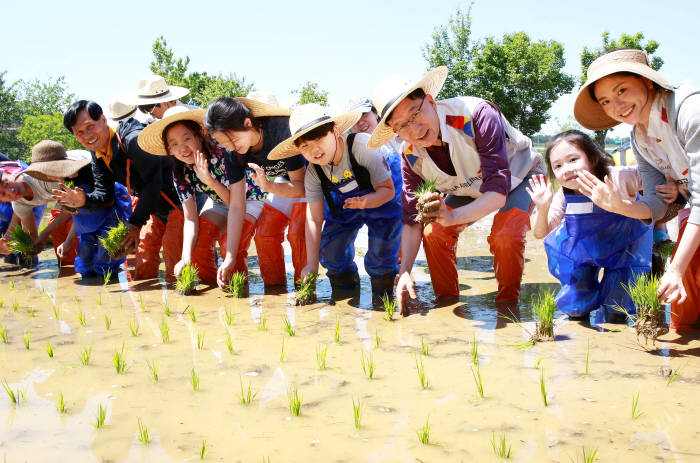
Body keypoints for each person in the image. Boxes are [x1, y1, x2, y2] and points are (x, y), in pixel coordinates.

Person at [368, 66, 545, 315]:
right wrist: (405, 271)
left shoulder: (476, 115)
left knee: (506, 234)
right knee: (434, 233)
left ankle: (507, 307)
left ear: (430, 101)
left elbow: (496, 192)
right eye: (401, 126)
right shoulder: (409, 155)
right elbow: (411, 221)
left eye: (415, 113)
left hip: (520, 175)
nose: (414, 130)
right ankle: (446, 302)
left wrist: (451, 216)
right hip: (466, 187)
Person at [573, 48, 700, 330]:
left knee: (686, 275)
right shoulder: (639, 137)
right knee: (683, 313)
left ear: (648, 81)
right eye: (606, 100)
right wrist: (620, 206)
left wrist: (675, 268)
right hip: (692, 215)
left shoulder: (690, 110)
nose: (616, 105)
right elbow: (656, 204)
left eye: (622, 90)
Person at [269, 104, 402, 297]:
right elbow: (314, 219)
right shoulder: (314, 172)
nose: (314, 150)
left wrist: (366, 202)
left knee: (381, 256)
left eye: (318, 138)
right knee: (332, 252)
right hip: (346, 199)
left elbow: (388, 191)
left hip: (384, 190)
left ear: (335, 131)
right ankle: (345, 296)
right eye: (305, 146)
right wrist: (311, 265)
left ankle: (383, 298)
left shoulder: (363, 147)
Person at [528, 130, 652, 320]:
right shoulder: (563, 194)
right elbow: (540, 232)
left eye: (573, 160)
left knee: (618, 310)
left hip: (627, 244)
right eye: (558, 166)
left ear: (593, 159)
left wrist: (670, 187)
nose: (566, 169)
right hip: (587, 248)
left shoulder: (620, 177)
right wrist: (542, 207)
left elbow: (656, 180)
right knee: (575, 308)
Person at [57, 100, 182, 280]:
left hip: (179, 203)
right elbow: (105, 195)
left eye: (90, 127)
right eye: (80, 133)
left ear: (103, 119)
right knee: (143, 263)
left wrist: (134, 224)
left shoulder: (133, 140)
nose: (87, 136)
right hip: (154, 207)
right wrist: (84, 200)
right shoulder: (98, 152)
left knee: (174, 261)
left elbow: (153, 185)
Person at [138, 106, 263, 286]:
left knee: (230, 245)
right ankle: (215, 286)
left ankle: (240, 290)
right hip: (220, 203)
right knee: (198, 246)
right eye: (174, 144)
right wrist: (185, 257)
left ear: (200, 134)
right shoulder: (180, 171)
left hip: (249, 199)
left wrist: (210, 181)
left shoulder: (222, 153)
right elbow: (190, 219)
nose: (182, 148)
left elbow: (236, 204)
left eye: (187, 139)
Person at [204, 93, 307, 287]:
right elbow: (236, 205)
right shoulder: (233, 152)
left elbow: (302, 188)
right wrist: (230, 257)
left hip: (312, 181)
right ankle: (275, 290)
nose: (231, 147)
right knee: (265, 233)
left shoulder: (282, 132)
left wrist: (268, 186)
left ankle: (305, 289)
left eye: (233, 139)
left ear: (248, 123)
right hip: (284, 180)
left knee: (298, 233)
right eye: (225, 144)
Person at [0, 141, 90, 264]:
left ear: (10, 173)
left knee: (80, 228)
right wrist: (14, 246)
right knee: (59, 236)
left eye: (6, 184)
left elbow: (74, 209)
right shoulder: (19, 204)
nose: (10, 191)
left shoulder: (49, 178)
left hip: (85, 168)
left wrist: (46, 232)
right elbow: (32, 238)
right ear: (2, 201)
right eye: (3, 194)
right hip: (69, 197)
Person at [120, 75, 191, 122]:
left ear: (164, 103)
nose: (153, 117)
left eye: (152, 113)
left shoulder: (195, 115)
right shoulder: (156, 122)